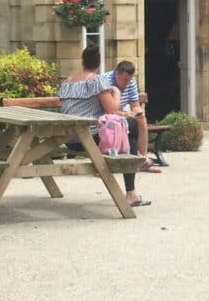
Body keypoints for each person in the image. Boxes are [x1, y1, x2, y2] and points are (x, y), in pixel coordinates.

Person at [59, 46, 148, 206]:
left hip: (69, 137)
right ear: (98, 63)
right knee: (132, 126)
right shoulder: (97, 80)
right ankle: (131, 192)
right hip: (87, 137)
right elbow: (113, 110)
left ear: (82, 61)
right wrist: (116, 91)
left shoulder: (67, 81)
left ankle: (135, 163)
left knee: (127, 127)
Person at [105, 59, 160, 173]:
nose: (127, 83)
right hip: (106, 115)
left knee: (141, 119)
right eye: (125, 79)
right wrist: (125, 114)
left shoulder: (131, 81)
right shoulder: (106, 81)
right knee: (129, 123)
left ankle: (142, 159)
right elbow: (108, 110)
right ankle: (127, 159)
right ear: (117, 74)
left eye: (129, 80)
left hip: (121, 114)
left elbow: (135, 105)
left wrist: (138, 112)